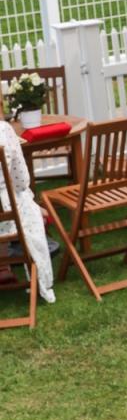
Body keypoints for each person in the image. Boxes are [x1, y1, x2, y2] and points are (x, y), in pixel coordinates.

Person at [0, 120, 55, 304]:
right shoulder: (4, 130)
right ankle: (4, 267)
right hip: (7, 216)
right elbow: (21, 180)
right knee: (22, 202)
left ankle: (4, 268)